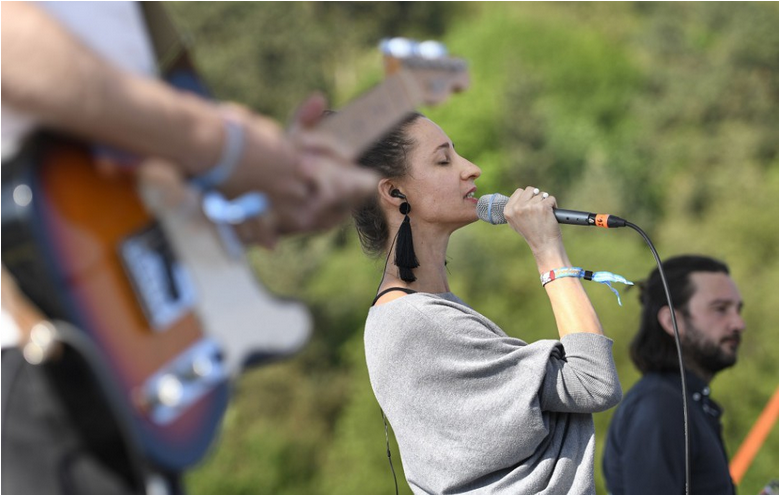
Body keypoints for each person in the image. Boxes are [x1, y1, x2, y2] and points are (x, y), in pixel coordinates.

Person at [2, 2, 377, 494]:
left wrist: (256, 197)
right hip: (33, 364)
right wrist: (222, 144)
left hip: (111, 367)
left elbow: (134, 177)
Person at [354, 112, 623, 494]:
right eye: (444, 160)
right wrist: (549, 252)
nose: (472, 170)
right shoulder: (416, 322)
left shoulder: (421, 313)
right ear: (395, 192)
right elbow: (593, 382)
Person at [602, 255, 745, 495]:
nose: (738, 323)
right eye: (720, 309)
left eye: (738, 310)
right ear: (672, 321)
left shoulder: (686, 401)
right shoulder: (659, 405)